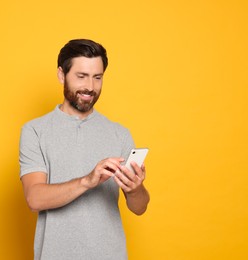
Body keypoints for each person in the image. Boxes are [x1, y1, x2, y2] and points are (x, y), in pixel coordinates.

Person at [19, 39, 150, 260]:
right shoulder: (35, 131)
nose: (90, 86)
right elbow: (35, 198)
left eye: (97, 77)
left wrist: (135, 189)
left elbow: (139, 208)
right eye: (81, 76)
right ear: (62, 75)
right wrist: (88, 181)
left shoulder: (119, 133)